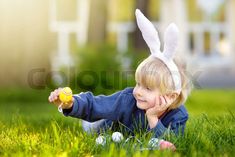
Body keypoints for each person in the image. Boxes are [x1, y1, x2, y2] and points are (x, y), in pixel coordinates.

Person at [48, 9, 191, 147]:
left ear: (170, 96)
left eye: (147, 88)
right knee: (94, 124)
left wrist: (153, 119)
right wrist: (71, 103)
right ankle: (91, 124)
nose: (138, 91)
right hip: (106, 129)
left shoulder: (178, 115)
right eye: (138, 84)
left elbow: (173, 143)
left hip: (131, 141)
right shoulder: (128, 99)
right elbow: (96, 104)